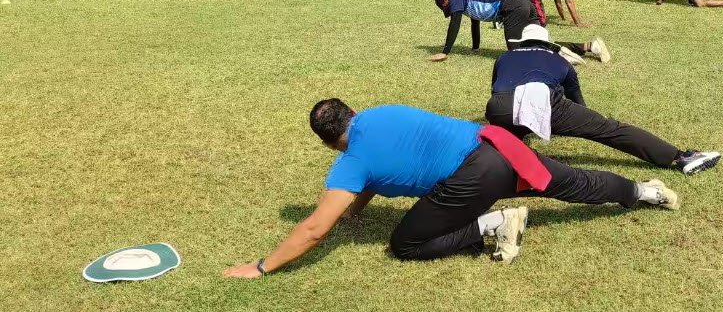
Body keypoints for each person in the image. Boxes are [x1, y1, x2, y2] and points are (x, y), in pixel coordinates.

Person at [222, 101, 682, 276]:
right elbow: (386, 165)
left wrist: (262, 267)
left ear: (327, 141)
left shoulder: (350, 164)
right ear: (352, 112)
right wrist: (358, 206)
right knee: (573, 182)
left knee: (406, 243)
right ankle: (644, 191)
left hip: (477, 177)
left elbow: (314, 230)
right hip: (496, 144)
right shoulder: (380, 113)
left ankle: (495, 224)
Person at [485, 25, 722, 173]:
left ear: (522, 43)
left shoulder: (505, 57)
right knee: (609, 128)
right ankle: (680, 157)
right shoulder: (560, 60)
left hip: (498, 107)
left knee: (501, 143)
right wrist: (583, 120)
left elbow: (496, 90)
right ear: (548, 44)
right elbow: (577, 102)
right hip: (540, 100)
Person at [431, 0, 610, 63]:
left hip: (512, 8)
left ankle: (562, 58)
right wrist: (476, 47)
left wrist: (445, 52)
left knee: (518, 54)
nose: (450, 10)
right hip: (524, 4)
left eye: (446, 7)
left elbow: (454, 24)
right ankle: (589, 46)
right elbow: (474, 21)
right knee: (537, 43)